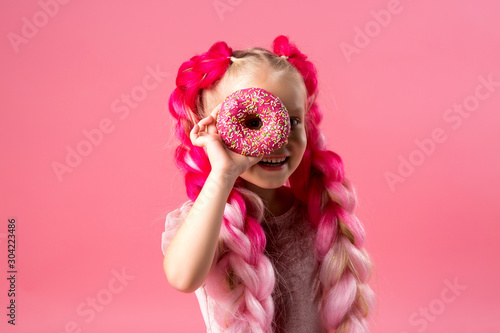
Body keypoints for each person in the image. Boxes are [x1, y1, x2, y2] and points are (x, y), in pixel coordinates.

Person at [161, 35, 375, 333]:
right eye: (252, 122)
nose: (277, 139)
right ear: (211, 129)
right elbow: (183, 277)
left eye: (292, 121)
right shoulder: (207, 221)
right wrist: (223, 174)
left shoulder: (318, 218)